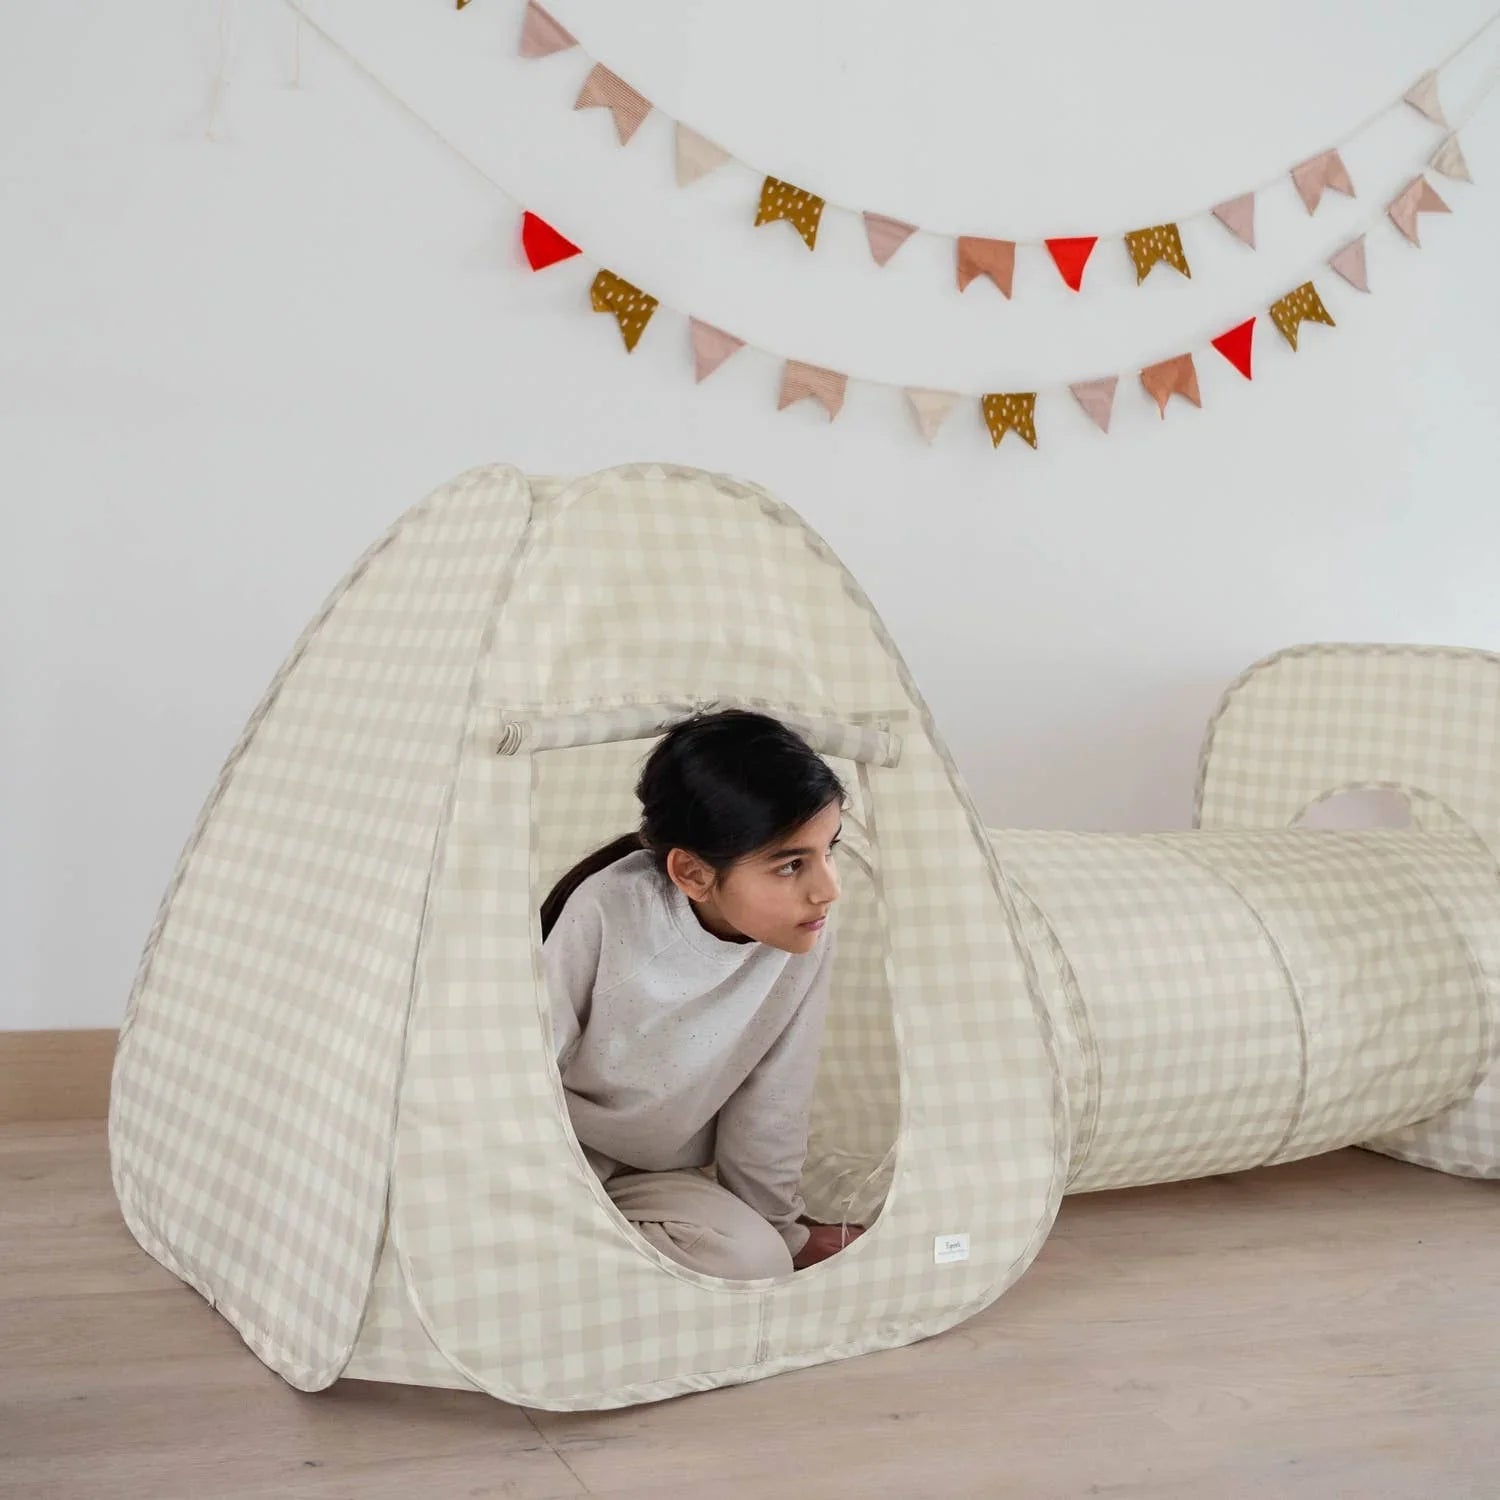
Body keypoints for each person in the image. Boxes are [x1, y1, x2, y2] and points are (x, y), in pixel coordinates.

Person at [541, 709, 867, 1279]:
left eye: (829, 850)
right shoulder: (607, 908)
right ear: (692, 874)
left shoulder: (800, 938)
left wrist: (785, 1234)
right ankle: (554, 1247)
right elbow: (522, 1073)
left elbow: (773, 1101)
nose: (828, 891)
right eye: (792, 864)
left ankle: (580, 1255)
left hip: (654, 1181)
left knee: (757, 1262)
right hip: (548, 1163)